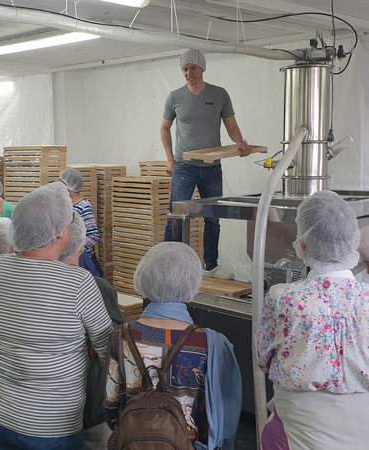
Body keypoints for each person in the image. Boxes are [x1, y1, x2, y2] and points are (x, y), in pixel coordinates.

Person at [0, 181, 113, 450]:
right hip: (47, 423)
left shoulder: (0, 266)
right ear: (61, 233)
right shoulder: (79, 282)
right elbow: (109, 351)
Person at [256, 190, 369, 450]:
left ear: (303, 244)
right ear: (353, 240)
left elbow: (263, 359)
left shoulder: (284, 298)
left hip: (297, 431)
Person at [105, 242, 242, 449]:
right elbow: (225, 418)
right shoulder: (212, 343)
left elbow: (110, 406)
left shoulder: (120, 335)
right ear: (193, 285)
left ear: (143, 278)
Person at [161, 48, 252, 279]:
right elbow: (164, 127)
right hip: (184, 166)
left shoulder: (219, 94)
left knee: (213, 217)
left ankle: (211, 266)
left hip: (212, 167)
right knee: (176, 215)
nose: (188, 73)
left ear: (201, 68)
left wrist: (240, 142)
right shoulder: (174, 97)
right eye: (184, 69)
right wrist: (170, 159)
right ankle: (168, 264)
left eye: (192, 68)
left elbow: (231, 125)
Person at [60, 214, 123, 450]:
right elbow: (112, 346)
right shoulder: (96, 287)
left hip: (50, 407)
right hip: (92, 405)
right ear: (80, 243)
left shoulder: (36, 284)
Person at [60, 167, 102, 277]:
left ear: (69, 186)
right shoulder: (65, 204)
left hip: (80, 259)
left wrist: (75, 246)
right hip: (65, 257)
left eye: (62, 183)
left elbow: (94, 236)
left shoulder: (84, 207)